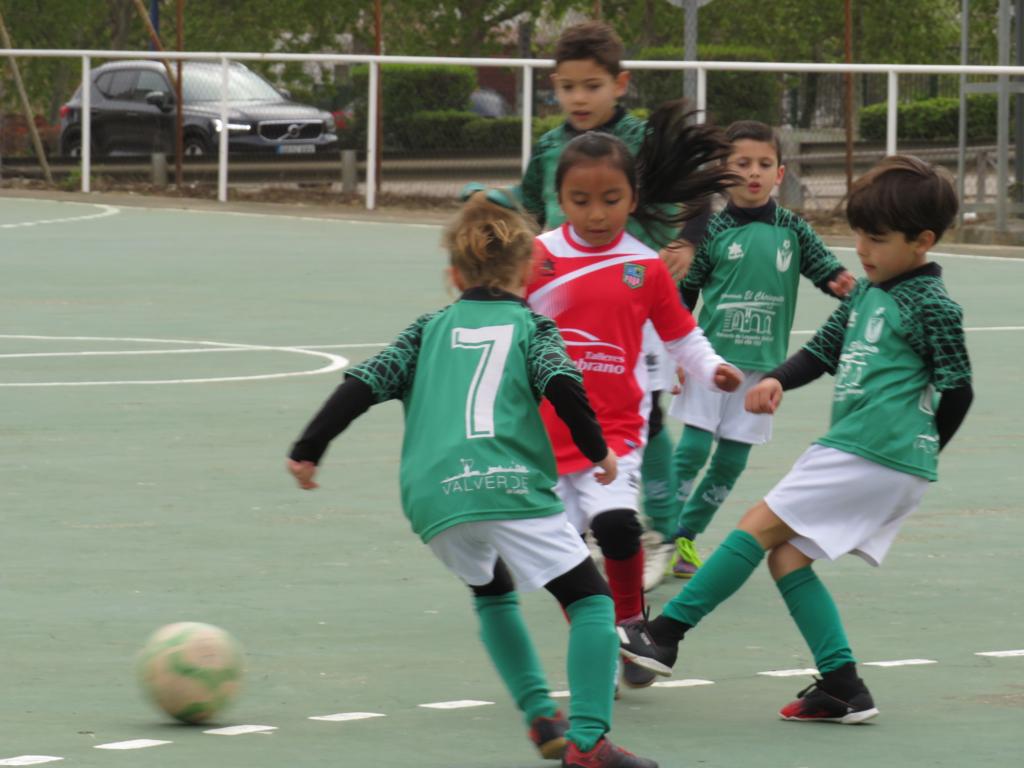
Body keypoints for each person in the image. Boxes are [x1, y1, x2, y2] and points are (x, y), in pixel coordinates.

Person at [286, 194, 660, 768]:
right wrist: (597, 451)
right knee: (590, 601)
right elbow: (563, 384)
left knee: (491, 590)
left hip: (433, 496)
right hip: (507, 483)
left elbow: (362, 382)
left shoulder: (426, 329)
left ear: (454, 274)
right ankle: (587, 740)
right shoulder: (533, 327)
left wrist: (310, 448)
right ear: (531, 270)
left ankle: (539, 714)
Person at [619, 155, 974, 724]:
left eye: (877, 239)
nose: (862, 248)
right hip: (873, 455)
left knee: (755, 526)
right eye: (858, 234)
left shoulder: (932, 304)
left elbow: (959, 389)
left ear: (923, 241)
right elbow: (823, 351)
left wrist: (924, 446)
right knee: (787, 557)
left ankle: (663, 634)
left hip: (871, 450)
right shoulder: (866, 293)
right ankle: (842, 685)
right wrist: (778, 381)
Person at [526, 106, 743, 691]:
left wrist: (713, 367)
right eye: (580, 200)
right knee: (560, 554)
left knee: (619, 527)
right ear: (560, 198)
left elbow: (680, 334)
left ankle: (629, 625)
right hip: (539, 437)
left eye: (610, 199)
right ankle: (601, 630)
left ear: (632, 197)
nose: (596, 214)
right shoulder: (537, 259)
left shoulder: (644, 267)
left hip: (613, 433)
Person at [518, 21, 714, 586]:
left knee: (643, 424)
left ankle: (660, 534)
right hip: (560, 311)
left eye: (592, 85)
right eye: (568, 86)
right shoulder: (551, 147)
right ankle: (576, 527)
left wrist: (687, 240)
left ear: (619, 84)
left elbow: (698, 189)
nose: (579, 98)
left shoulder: (641, 141)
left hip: (631, 309)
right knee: (558, 413)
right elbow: (532, 209)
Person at [665, 120, 856, 579]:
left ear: (780, 172)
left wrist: (842, 283)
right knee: (691, 451)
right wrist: (677, 354)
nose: (754, 173)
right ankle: (659, 533)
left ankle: (685, 537)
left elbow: (824, 268)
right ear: (725, 173)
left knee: (730, 462)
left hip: (762, 373)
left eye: (764, 164)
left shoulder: (793, 229)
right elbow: (684, 295)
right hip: (711, 363)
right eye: (742, 164)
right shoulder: (710, 231)